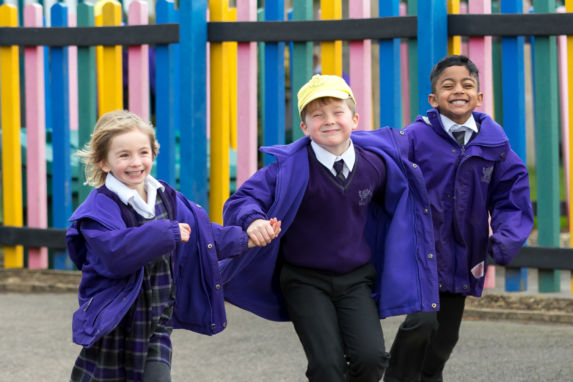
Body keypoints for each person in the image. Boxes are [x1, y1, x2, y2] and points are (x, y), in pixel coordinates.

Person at [221, 74, 440, 382]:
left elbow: (406, 202)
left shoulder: (376, 165)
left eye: (338, 112)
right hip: (304, 280)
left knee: (372, 359)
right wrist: (253, 220)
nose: (329, 121)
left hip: (355, 279)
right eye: (317, 115)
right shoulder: (289, 169)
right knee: (327, 367)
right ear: (304, 127)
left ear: (354, 119)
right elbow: (242, 199)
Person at [66, 110, 280, 382]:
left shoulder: (165, 197)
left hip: (155, 321)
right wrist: (165, 233)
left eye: (143, 152)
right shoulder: (98, 209)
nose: (136, 162)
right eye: (124, 155)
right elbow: (115, 253)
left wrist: (245, 238)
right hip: (113, 324)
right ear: (104, 162)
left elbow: (202, 235)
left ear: (153, 154)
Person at [383, 55, 534, 382]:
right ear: (433, 99)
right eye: (447, 85)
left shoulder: (495, 144)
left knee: (445, 338)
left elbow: (512, 193)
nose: (458, 91)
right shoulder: (414, 138)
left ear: (479, 98)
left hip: (463, 255)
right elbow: (383, 174)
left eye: (467, 85)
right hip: (421, 251)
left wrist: (506, 238)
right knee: (422, 323)